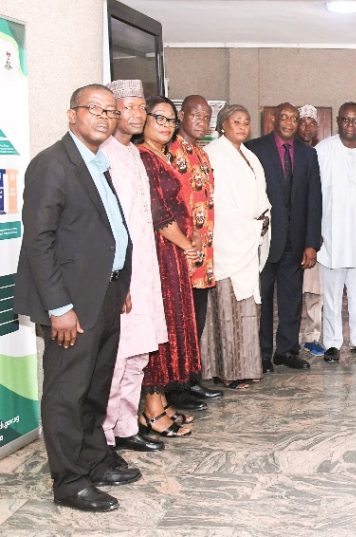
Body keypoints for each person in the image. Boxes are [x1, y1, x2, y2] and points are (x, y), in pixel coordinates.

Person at [15, 84, 136, 512]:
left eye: (110, 110)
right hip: (70, 304)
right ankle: (68, 481)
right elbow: (39, 243)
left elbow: (104, 233)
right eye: (93, 109)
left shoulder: (98, 161)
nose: (104, 117)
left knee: (95, 385)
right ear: (72, 115)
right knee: (67, 391)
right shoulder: (52, 164)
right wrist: (59, 308)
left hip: (103, 292)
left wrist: (118, 283)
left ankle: (93, 458)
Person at [99, 79, 167, 453]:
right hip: (122, 275)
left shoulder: (135, 154)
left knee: (138, 354)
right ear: (113, 112)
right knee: (117, 357)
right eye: (130, 107)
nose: (138, 114)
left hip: (144, 272)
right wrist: (117, 280)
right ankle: (105, 437)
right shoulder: (104, 155)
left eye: (142, 108)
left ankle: (126, 428)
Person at [137, 96, 204, 439]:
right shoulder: (143, 158)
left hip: (171, 254)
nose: (165, 124)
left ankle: (160, 403)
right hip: (161, 254)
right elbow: (159, 214)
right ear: (144, 120)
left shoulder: (163, 155)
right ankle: (150, 410)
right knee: (158, 332)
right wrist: (187, 244)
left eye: (170, 120)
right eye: (158, 118)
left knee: (170, 327)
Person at [246, 102, 322, 372]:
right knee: (264, 300)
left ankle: (286, 351)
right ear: (273, 120)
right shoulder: (255, 149)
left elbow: (315, 200)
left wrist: (312, 243)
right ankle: (264, 354)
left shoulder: (308, 154)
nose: (290, 123)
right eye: (284, 117)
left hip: (296, 242)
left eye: (294, 118)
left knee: (291, 299)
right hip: (265, 241)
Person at [201, 104, 272, 390]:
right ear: (222, 125)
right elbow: (218, 205)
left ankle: (245, 368)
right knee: (227, 312)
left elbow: (260, 195)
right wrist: (250, 226)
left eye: (246, 122)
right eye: (236, 122)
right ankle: (226, 372)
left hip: (248, 241)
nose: (242, 126)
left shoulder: (250, 156)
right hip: (229, 244)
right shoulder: (214, 154)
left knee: (247, 310)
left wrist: (263, 217)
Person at [165, 94, 222, 410]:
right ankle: (176, 388)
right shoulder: (169, 152)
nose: (202, 119)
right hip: (181, 256)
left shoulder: (201, 153)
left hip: (204, 258)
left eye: (207, 115)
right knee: (180, 323)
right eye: (196, 114)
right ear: (181, 115)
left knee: (195, 322)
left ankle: (191, 380)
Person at [315, 102, 356, 362]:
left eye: (355, 120)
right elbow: (314, 193)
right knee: (331, 295)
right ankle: (332, 343)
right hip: (330, 235)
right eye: (346, 120)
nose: (350, 125)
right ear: (339, 121)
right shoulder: (323, 150)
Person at [296, 104, 326, 358]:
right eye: (302, 121)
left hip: (312, 235)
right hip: (289, 236)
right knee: (290, 292)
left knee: (314, 291)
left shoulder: (319, 154)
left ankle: (312, 337)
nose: (307, 127)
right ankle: (289, 340)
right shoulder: (287, 153)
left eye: (311, 123)